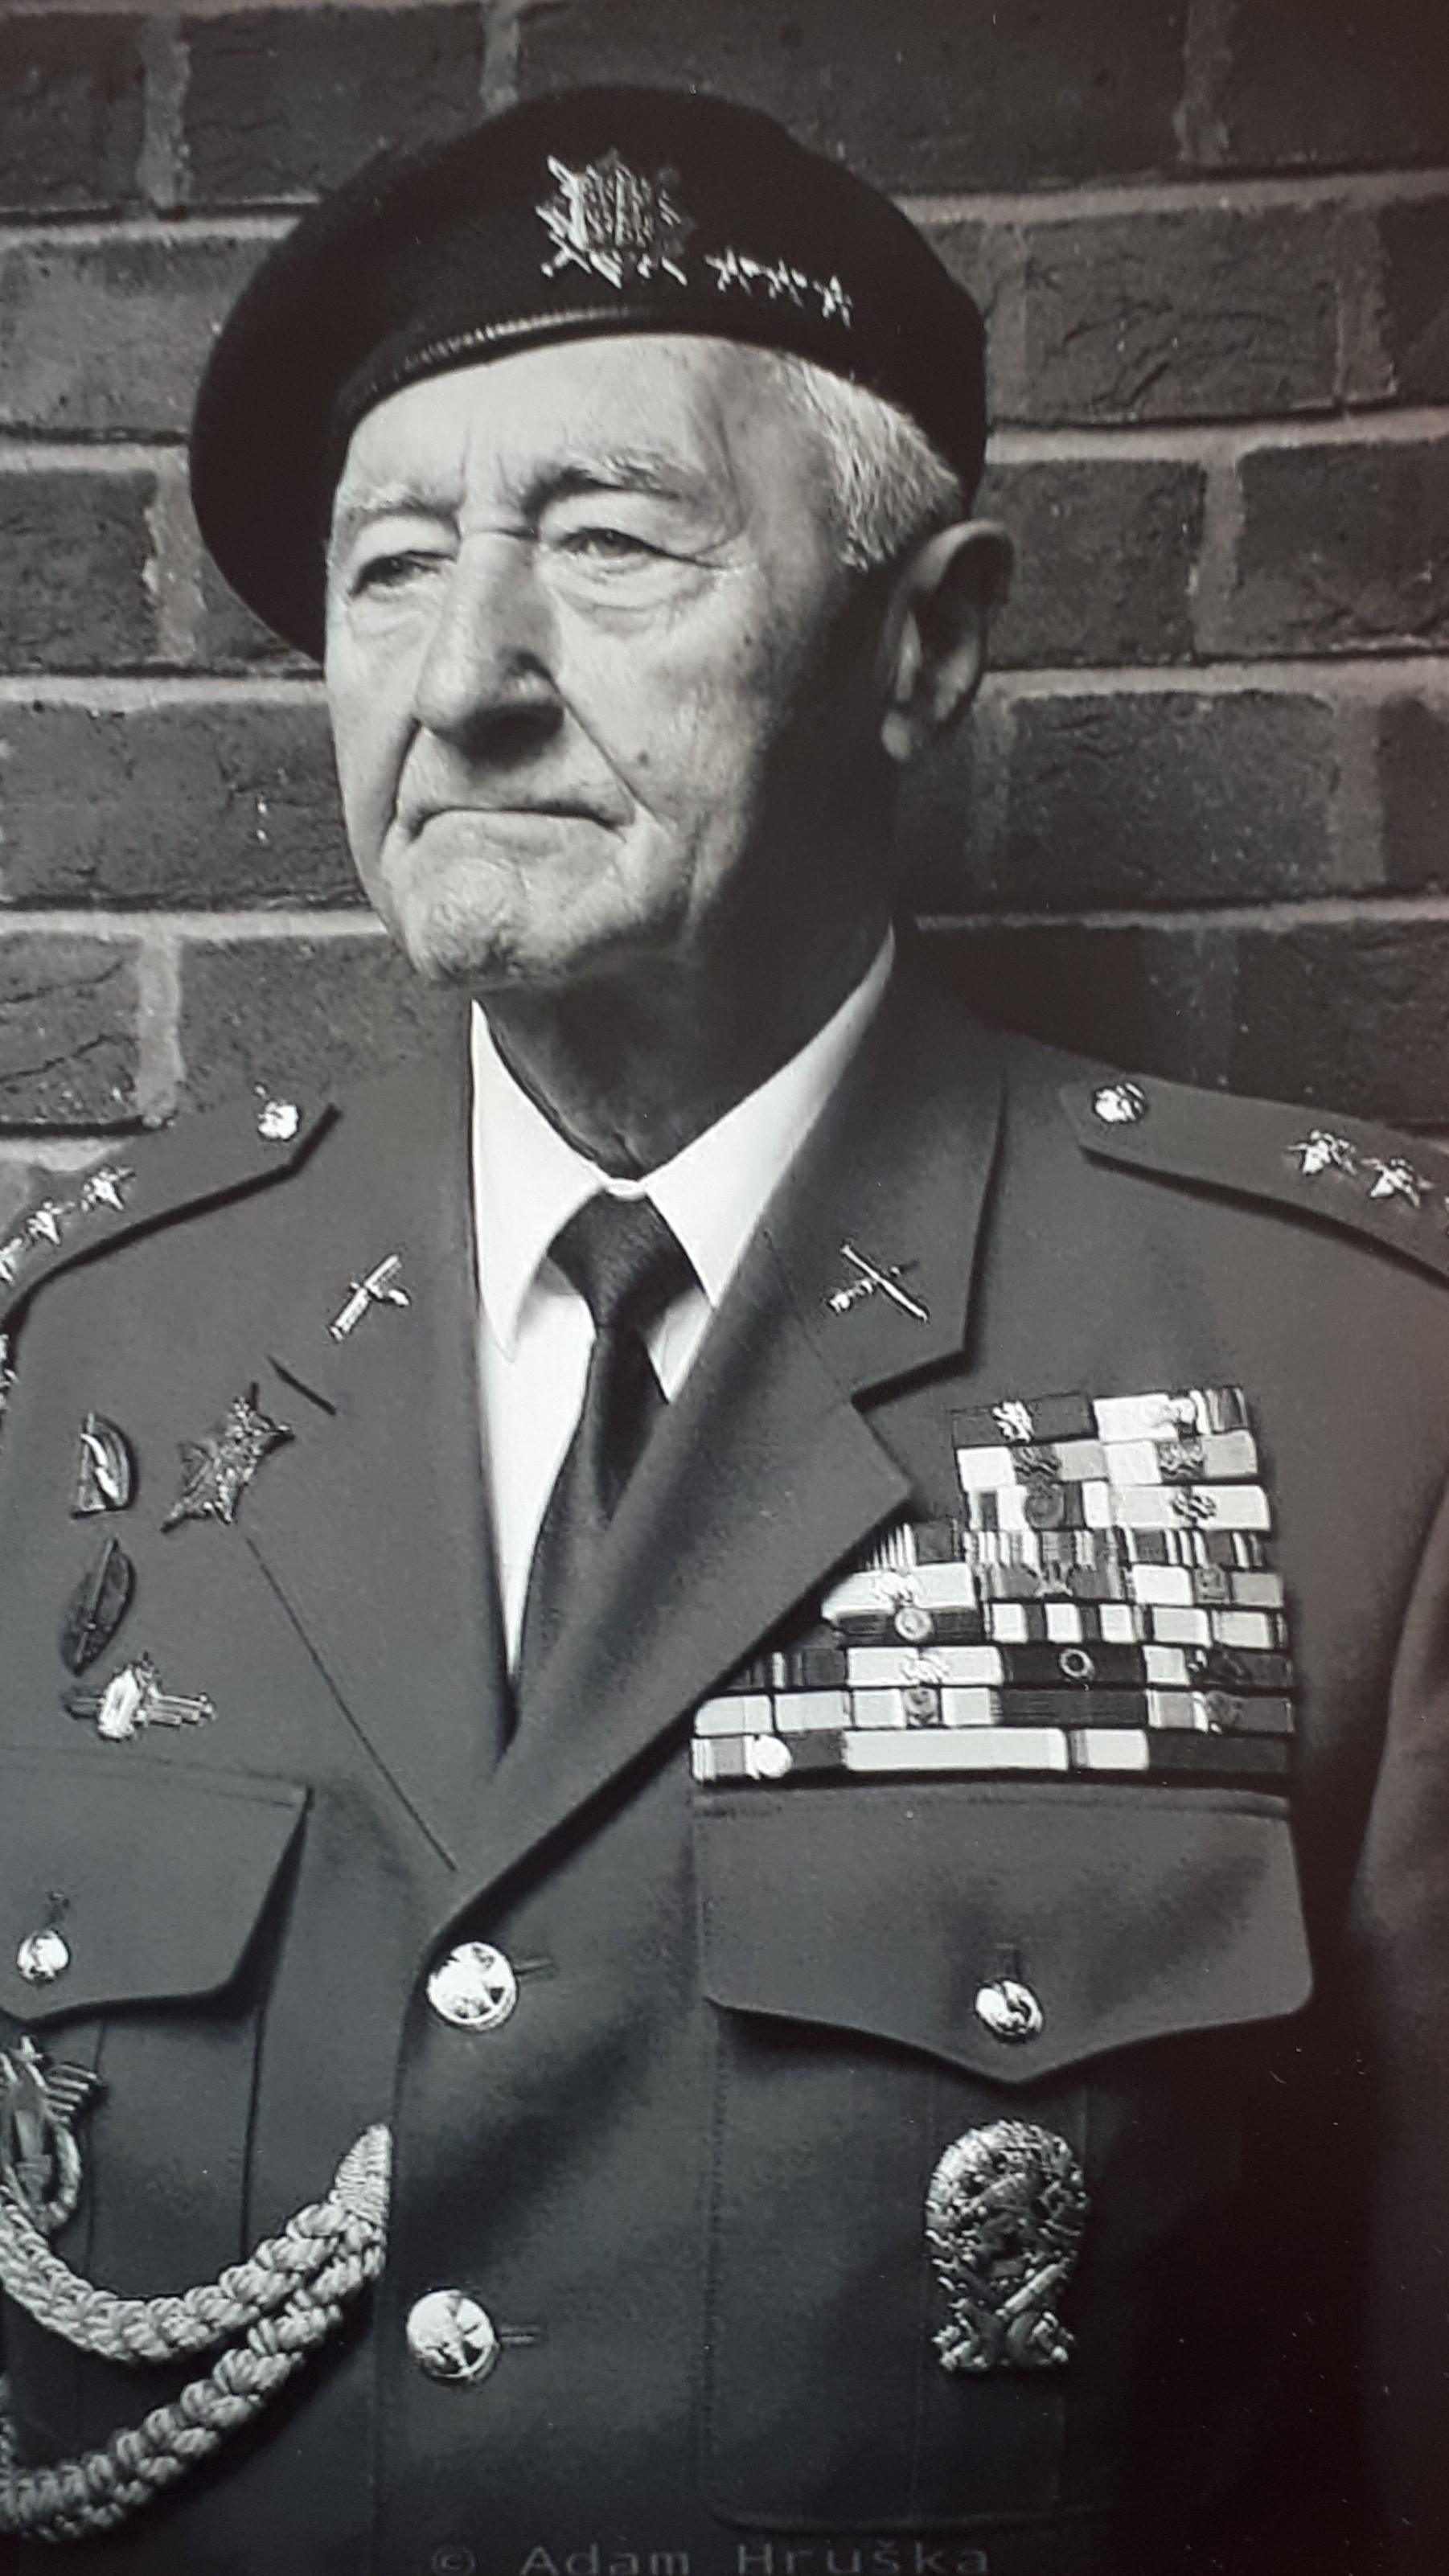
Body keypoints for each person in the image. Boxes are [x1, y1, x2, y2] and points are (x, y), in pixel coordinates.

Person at [1, 82, 1447, 2576]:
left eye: (608, 543)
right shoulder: (94, 1351)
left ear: (926, 643)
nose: (466, 679)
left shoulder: (1349, 1379)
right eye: (388, 568)